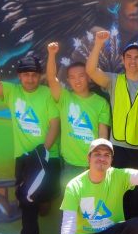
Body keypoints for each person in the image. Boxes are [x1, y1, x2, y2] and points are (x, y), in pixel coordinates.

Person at [0, 52, 60, 234]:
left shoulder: (47, 94)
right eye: (25, 75)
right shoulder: (12, 92)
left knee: (36, 199)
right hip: (23, 158)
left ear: (40, 76)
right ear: (19, 76)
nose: (30, 79)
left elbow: (55, 123)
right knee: (26, 198)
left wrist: (44, 149)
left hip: (47, 156)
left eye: (34, 75)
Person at [85, 29, 138, 220]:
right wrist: (98, 43)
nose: (133, 61)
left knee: (137, 197)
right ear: (122, 59)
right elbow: (90, 71)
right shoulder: (114, 80)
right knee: (116, 195)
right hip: (118, 149)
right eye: (128, 56)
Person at [47, 41, 110, 191]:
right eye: (72, 77)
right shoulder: (64, 98)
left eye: (81, 76)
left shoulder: (101, 103)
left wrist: (101, 161)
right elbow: (51, 78)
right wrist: (51, 54)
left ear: (88, 78)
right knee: (70, 209)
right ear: (68, 80)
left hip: (93, 165)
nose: (77, 80)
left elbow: (102, 135)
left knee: (93, 209)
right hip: (70, 165)